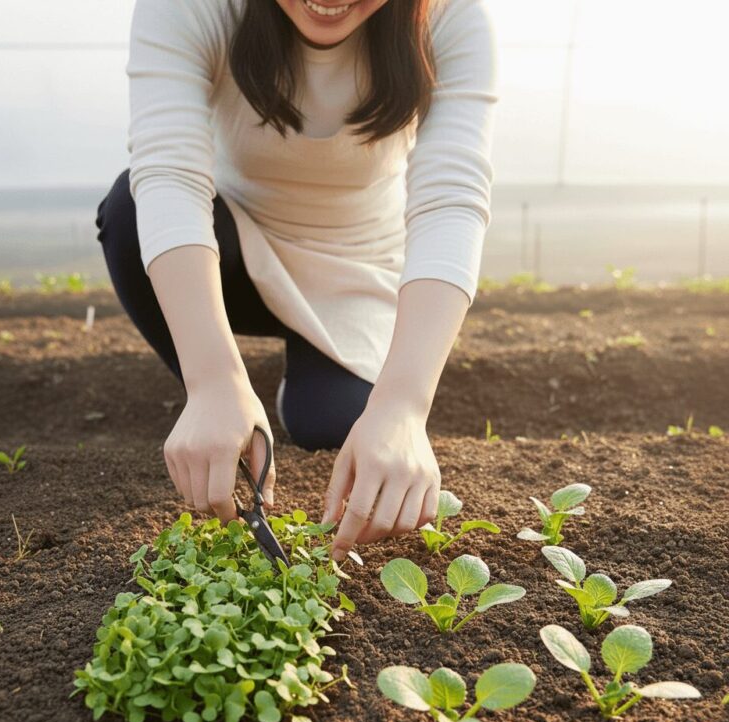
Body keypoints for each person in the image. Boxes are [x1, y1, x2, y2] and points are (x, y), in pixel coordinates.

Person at [96, 0, 498, 562]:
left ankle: (299, 365)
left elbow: (450, 201)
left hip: (356, 263)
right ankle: (224, 388)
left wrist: (404, 407)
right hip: (236, 243)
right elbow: (170, 174)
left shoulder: (451, 18)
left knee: (329, 421)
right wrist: (212, 381)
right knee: (129, 209)